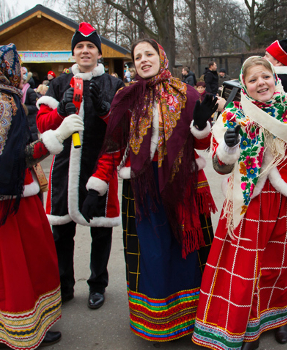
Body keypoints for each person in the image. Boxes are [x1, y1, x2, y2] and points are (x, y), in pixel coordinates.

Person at [83, 38, 218, 342]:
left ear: (161, 57)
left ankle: (193, 318)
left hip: (181, 186)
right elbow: (114, 147)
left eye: (149, 54)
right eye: (137, 56)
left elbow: (202, 147)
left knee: (185, 252)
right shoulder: (125, 96)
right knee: (151, 255)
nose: (144, 60)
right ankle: (157, 322)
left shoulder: (187, 93)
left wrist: (200, 126)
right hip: (142, 189)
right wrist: (98, 186)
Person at [193, 56, 287, 350]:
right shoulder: (233, 114)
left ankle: (277, 319)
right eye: (253, 80)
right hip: (247, 199)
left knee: (278, 265)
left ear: (274, 78)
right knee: (245, 266)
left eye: (265, 76)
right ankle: (245, 326)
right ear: (245, 85)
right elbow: (220, 166)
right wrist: (229, 146)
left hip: (285, 200)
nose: (260, 83)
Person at [0, 43, 83, 350]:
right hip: (12, 201)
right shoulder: (7, 103)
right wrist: (59, 135)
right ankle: (22, 332)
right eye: (17, 66)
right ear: (8, 70)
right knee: (20, 264)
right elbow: (19, 158)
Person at [36, 22, 125, 309]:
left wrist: (103, 112)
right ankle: (64, 284)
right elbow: (41, 126)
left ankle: (97, 285)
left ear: (99, 53)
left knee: (100, 229)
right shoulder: (58, 83)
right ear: (73, 52)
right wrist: (60, 112)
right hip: (64, 168)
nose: (85, 51)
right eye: (80, 47)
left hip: (100, 165)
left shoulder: (114, 84)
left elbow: (121, 129)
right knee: (61, 231)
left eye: (90, 47)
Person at [21, 67, 39, 140]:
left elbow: (35, 107)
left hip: (30, 121)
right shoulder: (18, 90)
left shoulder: (29, 91)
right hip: (23, 120)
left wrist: (24, 107)